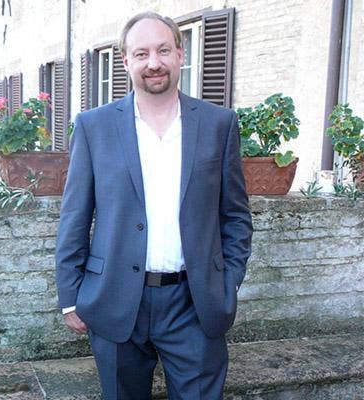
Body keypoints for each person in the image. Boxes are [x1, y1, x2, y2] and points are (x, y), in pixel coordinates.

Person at [55, 11, 253, 400]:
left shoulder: (219, 124)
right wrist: (70, 295)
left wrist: (228, 280)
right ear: (125, 61)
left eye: (163, 50)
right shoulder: (94, 127)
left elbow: (235, 215)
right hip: (113, 298)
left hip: (195, 303)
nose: (154, 63)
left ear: (180, 53)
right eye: (141, 53)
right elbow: (75, 216)